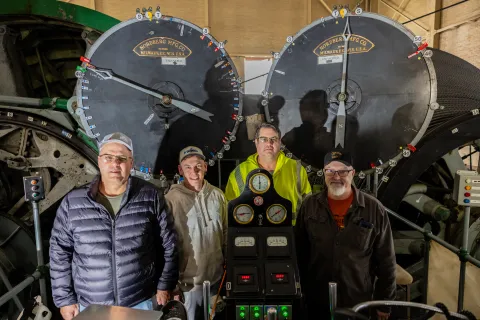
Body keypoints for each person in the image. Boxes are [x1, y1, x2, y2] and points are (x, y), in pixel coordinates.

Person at [49, 132, 178, 320]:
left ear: (131, 163)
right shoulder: (73, 202)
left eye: (121, 158)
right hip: (91, 305)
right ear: (99, 161)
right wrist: (65, 299)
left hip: (139, 302)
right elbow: (59, 252)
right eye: (108, 157)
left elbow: (169, 244)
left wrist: (165, 285)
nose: (115, 164)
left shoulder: (150, 196)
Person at [295, 150, 396, 320]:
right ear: (324, 173)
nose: (336, 176)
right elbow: (299, 252)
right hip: (316, 300)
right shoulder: (309, 206)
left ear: (353, 173)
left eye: (342, 171)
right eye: (330, 171)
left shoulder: (373, 209)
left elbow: (386, 260)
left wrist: (384, 303)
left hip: (357, 302)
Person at [165, 146, 227, 320]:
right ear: (180, 170)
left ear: (206, 167)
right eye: (188, 167)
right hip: (187, 287)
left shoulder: (218, 196)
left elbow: (226, 233)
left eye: (198, 165)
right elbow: (166, 245)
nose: (194, 171)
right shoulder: (171, 200)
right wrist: (172, 285)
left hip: (216, 282)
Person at [225, 123, 312, 225]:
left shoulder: (296, 169)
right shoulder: (239, 172)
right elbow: (229, 208)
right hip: (251, 233)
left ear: (280, 142)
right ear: (256, 142)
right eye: (263, 139)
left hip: (290, 232)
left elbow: (309, 205)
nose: (269, 144)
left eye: (273, 139)